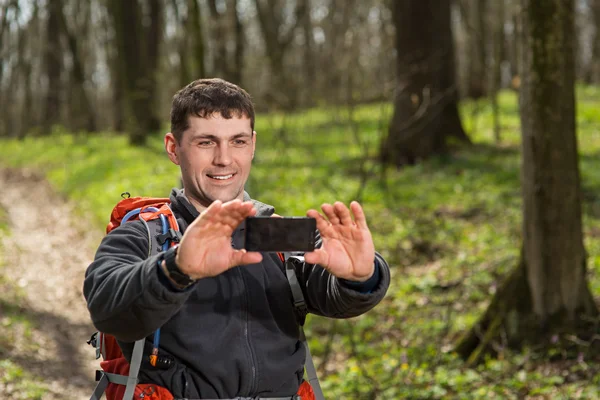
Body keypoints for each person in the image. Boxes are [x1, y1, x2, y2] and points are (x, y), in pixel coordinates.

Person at [83, 78, 390, 400]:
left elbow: (334, 298)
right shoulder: (144, 235)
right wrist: (174, 270)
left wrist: (361, 278)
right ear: (174, 148)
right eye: (206, 142)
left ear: (253, 145)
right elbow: (108, 309)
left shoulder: (277, 233)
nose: (224, 159)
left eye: (238, 142)